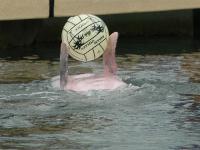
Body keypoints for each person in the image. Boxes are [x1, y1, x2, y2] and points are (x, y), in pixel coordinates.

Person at [54, 32, 126, 92]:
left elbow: (62, 81)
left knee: (63, 84)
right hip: (113, 86)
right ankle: (109, 52)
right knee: (111, 75)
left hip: (78, 90)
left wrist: (64, 50)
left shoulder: (64, 82)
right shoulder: (113, 82)